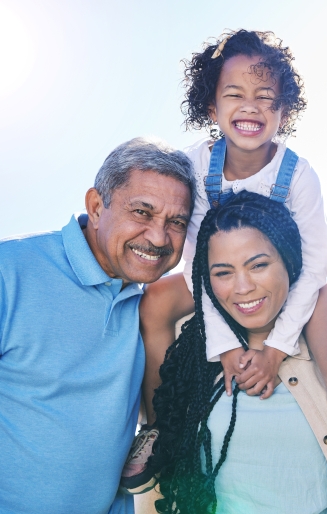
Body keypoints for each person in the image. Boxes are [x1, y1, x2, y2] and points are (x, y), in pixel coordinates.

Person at [130, 30, 327, 508]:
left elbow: (312, 265)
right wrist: (225, 345)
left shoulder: (298, 173)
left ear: (284, 112)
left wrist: (273, 347)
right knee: (157, 301)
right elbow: (198, 262)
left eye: (266, 99)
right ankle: (162, 430)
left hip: (298, 277)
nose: (251, 107)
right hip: (221, 274)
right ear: (211, 108)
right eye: (235, 96)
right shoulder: (195, 167)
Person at [0, 137, 194, 514]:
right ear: (96, 206)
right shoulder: (10, 271)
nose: (158, 237)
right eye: (141, 212)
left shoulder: (151, 304)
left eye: (176, 222)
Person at [148, 191, 327, 514]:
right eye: (223, 272)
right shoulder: (191, 360)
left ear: (290, 260)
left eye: (258, 265)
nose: (242, 287)